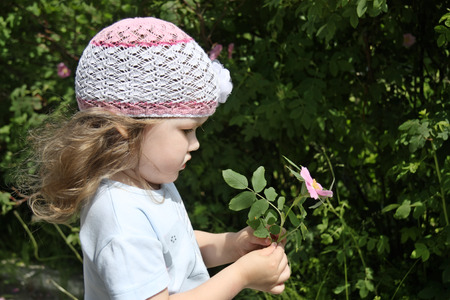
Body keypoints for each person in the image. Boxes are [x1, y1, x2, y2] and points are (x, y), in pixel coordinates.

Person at [26, 17, 290, 300]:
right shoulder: (119, 219)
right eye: (187, 130)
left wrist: (233, 246)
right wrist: (240, 275)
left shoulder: (148, 182)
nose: (196, 144)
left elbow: (175, 248)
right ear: (125, 129)